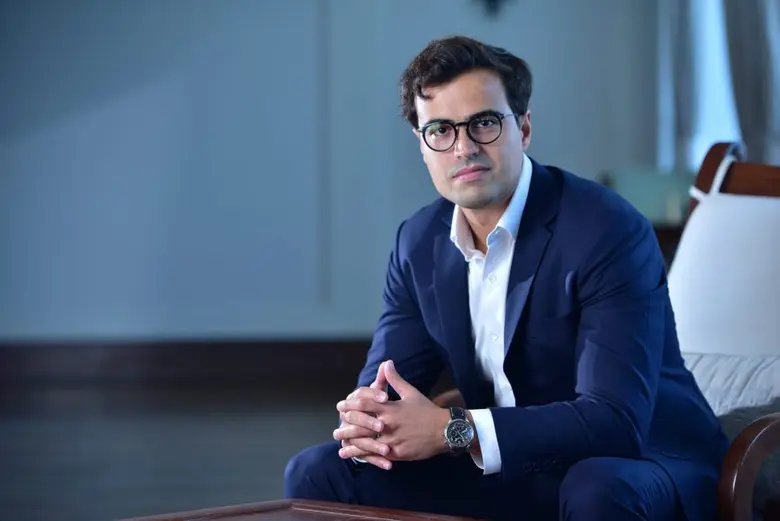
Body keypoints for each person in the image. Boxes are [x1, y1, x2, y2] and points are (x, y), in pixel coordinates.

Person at [283, 35, 729, 521]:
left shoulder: (607, 230)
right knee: (318, 473)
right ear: (422, 144)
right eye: (440, 130)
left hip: (641, 461)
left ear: (524, 128)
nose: (464, 148)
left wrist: (450, 429)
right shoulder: (418, 242)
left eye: (484, 123)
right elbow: (387, 387)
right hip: (509, 467)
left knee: (595, 489)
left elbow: (614, 422)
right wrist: (369, 417)